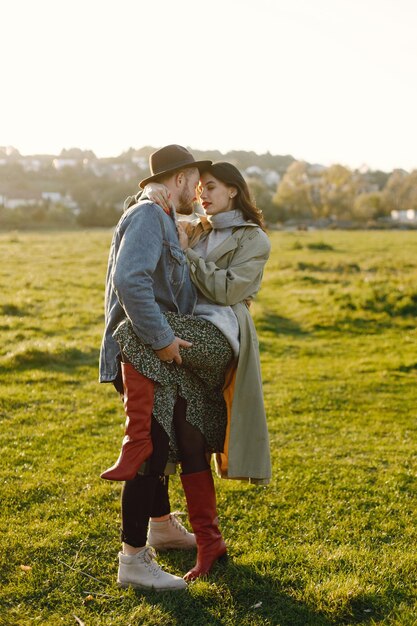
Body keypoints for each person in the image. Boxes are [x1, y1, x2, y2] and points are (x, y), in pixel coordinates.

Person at [103, 154, 271, 584]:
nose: (202, 195)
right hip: (186, 338)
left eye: (210, 187)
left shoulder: (253, 240)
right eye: (198, 188)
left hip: (217, 336)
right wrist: (152, 197)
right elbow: (142, 224)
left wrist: (185, 253)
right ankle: (206, 540)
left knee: (135, 330)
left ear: (232, 189)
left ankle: (134, 439)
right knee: (187, 431)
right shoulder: (191, 227)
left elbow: (226, 288)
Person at [99, 145, 214, 591]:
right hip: (140, 352)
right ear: (180, 179)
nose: (197, 192)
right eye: (195, 181)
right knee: (150, 447)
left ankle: (162, 526)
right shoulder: (148, 215)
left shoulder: (162, 218)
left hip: (147, 352)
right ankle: (132, 560)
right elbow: (131, 281)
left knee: (160, 437)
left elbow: (166, 285)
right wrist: (164, 341)